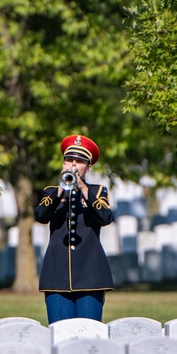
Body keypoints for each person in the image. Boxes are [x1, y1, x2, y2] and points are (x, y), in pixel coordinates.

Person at [34, 134, 115, 323]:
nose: (73, 165)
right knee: (59, 333)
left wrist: (83, 189)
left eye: (79, 161)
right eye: (69, 160)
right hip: (56, 275)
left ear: (88, 167)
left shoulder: (97, 191)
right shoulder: (51, 192)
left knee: (89, 335)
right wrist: (61, 190)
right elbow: (40, 215)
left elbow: (105, 217)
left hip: (91, 274)